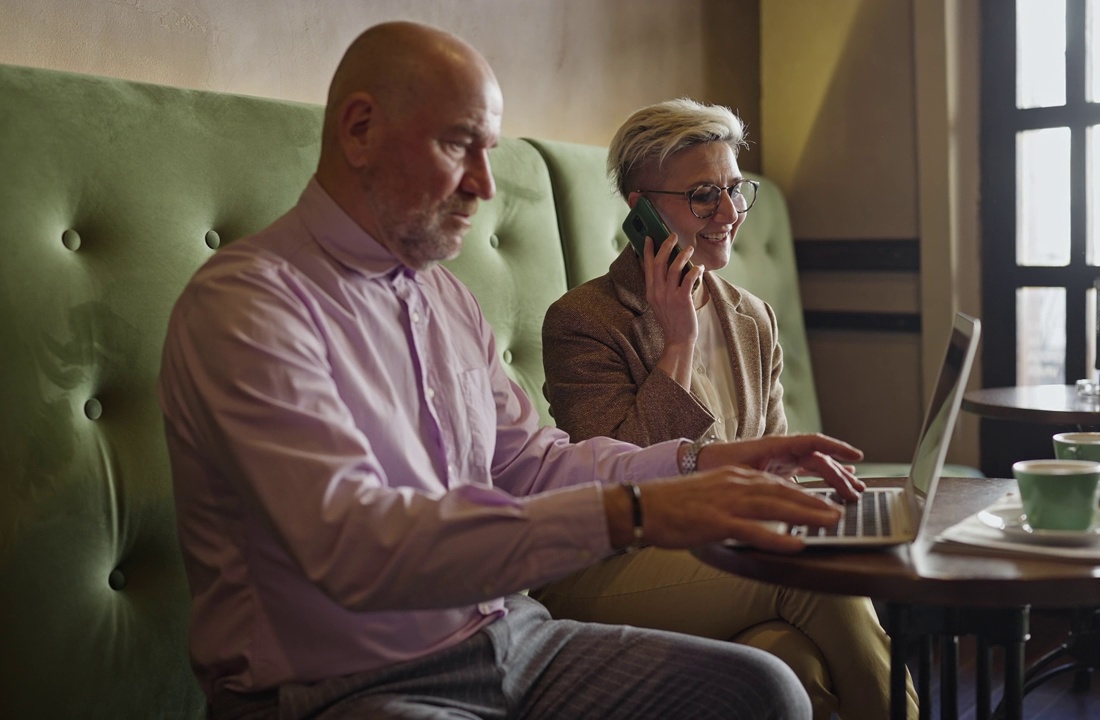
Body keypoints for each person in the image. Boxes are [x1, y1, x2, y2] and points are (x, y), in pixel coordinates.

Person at [158, 20, 873, 720]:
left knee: (765, 690)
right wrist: (641, 510)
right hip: (336, 683)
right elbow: (352, 545)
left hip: (510, 637)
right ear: (360, 130)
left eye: (489, 151)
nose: (484, 185)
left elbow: (532, 466)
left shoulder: (445, 298)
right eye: (457, 145)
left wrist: (699, 460)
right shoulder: (249, 303)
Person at [537, 99, 919, 720]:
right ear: (643, 211)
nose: (730, 215)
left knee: (792, 662)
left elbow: (774, 463)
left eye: (737, 191)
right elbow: (621, 473)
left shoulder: (753, 317)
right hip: (608, 561)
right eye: (704, 195)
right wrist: (678, 340)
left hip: (726, 556)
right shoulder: (584, 322)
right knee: (815, 576)